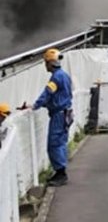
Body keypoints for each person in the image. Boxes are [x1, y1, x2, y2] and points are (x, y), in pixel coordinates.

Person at [22, 48, 73, 185]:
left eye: (46, 62)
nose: (45, 65)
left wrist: (35, 105)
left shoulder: (56, 77)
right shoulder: (64, 75)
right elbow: (58, 96)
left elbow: (47, 94)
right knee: (61, 142)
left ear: (51, 63)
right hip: (66, 113)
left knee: (54, 144)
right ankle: (60, 171)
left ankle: (61, 174)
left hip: (59, 115)